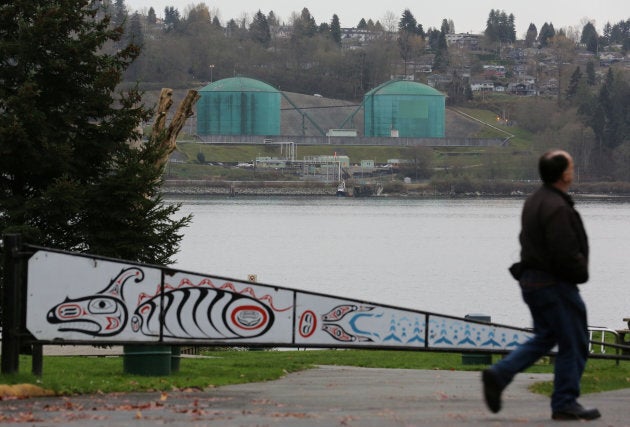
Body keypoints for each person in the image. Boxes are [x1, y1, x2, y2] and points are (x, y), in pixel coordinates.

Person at [482, 149, 601, 421]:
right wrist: (579, 271)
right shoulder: (557, 207)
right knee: (574, 342)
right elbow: (564, 252)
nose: (573, 170)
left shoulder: (535, 201)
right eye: (571, 166)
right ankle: (565, 402)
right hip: (555, 284)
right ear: (564, 174)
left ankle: (500, 374)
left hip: (532, 281)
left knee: (547, 336)